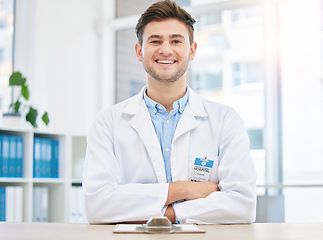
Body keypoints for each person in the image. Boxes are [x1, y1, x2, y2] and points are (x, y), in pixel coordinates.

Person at [83, 0, 256, 224]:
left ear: (192, 51)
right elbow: (97, 205)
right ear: (139, 51)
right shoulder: (108, 122)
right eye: (155, 41)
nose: (165, 49)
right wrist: (182, 190)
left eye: (176, 40)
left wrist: (166, 215)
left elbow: (242, 205)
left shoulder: (225, 120)